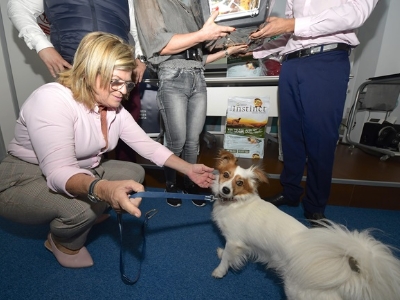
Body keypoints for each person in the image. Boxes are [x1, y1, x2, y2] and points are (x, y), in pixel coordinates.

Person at [0, 32, 215, 268]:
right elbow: (59, 171)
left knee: (133, 173)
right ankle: (60, 242)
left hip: (81, 169)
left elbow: (147, 146)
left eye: (128, 83)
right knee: (82, 208)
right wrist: (102, 190)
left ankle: (91, 210)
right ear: (90, 71)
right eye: (116, 81)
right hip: (23, 177)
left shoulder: (113, 109)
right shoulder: (51, 100)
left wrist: (189, 169)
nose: (123, 91)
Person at [249, 0, 379, 225]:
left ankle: (316, 205)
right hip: (291, 63)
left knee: (321, 139)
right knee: (291, 136)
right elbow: (290, 33)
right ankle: (290, 192)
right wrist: (253, 47)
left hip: (326, 60)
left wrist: (290, 24)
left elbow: (354, 13)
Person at [134, 0, 249, 207]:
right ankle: (171, 184)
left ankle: (189, 181)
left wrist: (229, 51)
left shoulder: (197, 3)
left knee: (193, 141)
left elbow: (198, 59)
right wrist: (204, 34)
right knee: (175, 141)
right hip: (171, 75)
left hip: (198, 76)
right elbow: (158, 45)